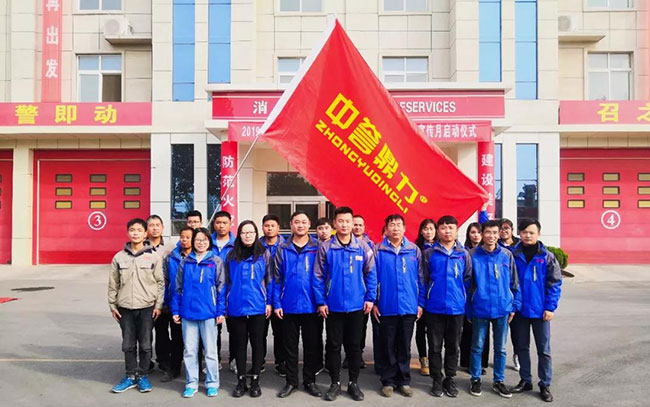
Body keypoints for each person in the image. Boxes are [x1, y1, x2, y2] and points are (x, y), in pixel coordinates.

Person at [313, 206, 377, 401]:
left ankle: (353, 383)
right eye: (340, 221)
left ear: (352, 223)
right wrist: (321, 301)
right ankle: (335, 383)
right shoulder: (326, 247)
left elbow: (371, 273)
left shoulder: (363, 247)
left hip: (357, 305)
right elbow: (318, 276)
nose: (344, 224)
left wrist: (370, 298)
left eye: (347, 221)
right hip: (333, 306)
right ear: (335, 223)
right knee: (333, 345)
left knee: (354, 346)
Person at [108, 218, 164, 393]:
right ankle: (130, 376)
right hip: (125, 307)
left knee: (146, 345)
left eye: (139, 230)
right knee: (128, 344)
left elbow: (160, 282)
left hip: (147, 307)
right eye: (132, 230)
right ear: (128, 233)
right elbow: (113, 284)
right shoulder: (119, 257)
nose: (135, 233)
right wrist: (113, 305)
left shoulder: (153, 256)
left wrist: (158, 305)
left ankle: (143, 375)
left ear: (145, 233)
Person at [467, 220, 521, 398]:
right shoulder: (472, 255)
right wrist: (468, 308)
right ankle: (475, 379)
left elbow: (514, 282)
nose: (491, 236)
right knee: (477, 346)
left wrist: (514, 306)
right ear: (482, 234)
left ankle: (499, 381)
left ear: (499, 234)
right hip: (479, 308)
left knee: (501, 348)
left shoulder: (506, 255)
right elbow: (467, 285)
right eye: (488, 232)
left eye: (495, 233)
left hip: (502, 308)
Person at [510, 218, 562, 403]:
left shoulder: (546, 257)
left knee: (543, 349)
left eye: (531, 232)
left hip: (541, 311)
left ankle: (545, 384)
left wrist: (550, 307)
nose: (528, 235)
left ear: (538, 234)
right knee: (521, 347)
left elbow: (554, 284)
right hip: (519, 311)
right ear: (519, 233)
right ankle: (525, 380)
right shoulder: (512, 255)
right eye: (524, 232)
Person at [273, 211, 323, 398]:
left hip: (312, 305)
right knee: (290, 347)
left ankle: (310, 381)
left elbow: (324, 276)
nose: (300, 225)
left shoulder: (318, 247)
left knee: (312, 346)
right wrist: (277, 303)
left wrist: (322, 302)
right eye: (297, 222)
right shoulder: (282, 248)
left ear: (309, 225)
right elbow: (276, 279)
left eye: (304, 222)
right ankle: (291, 382)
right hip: (289, 305)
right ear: (291, 225)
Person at [372, 214, 423, 398]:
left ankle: (404, 381)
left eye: (399, 225)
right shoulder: (378, 250)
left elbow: (421, 278)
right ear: (386, 229)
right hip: (386, 305)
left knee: (404, 345)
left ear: (404, 228)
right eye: (392, 225)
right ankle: (388, 381)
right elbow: (372, 278)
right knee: (388, 345)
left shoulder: (413, 250)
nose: (395, 228)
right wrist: (374, 302)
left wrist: (420, 303)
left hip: (409, 306)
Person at [171, 227, 225, 398]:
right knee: (190, 351)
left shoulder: (215, 261)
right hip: (188, 314)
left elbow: (221, 288)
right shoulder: (185, 262)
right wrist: (176, 310)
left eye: (204, 240)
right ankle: (191, 383)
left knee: (210, 351)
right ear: (193, 242)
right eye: (198, 240)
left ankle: (212, 382)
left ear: (209, 242)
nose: (201, 243)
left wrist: (220, 311)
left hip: (209, 313)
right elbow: (177, 288)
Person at [421, 215, 471, 398]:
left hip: (456, 308)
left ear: (456, 230)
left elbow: (467, 279)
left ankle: (449, 378)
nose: (447, 231)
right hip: (434, 307)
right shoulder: (429, 254)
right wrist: (423, 302)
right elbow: (423, 279)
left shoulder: (463, 254)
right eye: (443, 228)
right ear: (438, 231)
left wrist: (463, 300)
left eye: (450, 228)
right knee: (434, 346)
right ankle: (436, 379)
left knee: (453, 346)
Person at [224, 220, 273, 398]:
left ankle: (255, 381)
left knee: (257, 344)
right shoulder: (231, 255)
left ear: (256, 234)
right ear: (239, 234)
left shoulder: (264, 254)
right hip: (236, 306)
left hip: (258, 306)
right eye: (244, 232)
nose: (248, 235)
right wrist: (225, 305)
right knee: (240, 345)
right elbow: (226, 282)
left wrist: (269, 302)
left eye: (251, 232)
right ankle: (241, 380)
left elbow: (270, 280)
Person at [157, 226, 192, 382]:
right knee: (176, 338)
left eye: (188, 237)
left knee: (194, 341)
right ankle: (174, 369)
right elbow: (165, 281)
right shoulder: (171, 257)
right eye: (182, 237)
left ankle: (195, 371)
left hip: (193, 305)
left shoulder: (199, 257)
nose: (184, 240)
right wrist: (165, 301)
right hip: (175, 304)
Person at [460, 222, 489, 374]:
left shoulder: (487, 252)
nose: (476, 235)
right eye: (473, 232)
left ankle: (481, 363)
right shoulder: (464, 252)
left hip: (483, 297)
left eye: (478, 232)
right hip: (467, 297)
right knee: (467, 331)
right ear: (468, 234)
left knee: (483, 333)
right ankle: (466, 362)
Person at [260, 214, 287, 377]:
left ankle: (280, 362)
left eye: (272, 225)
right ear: (262, 227)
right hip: (260, 296)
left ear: (278, 228)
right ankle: (259, 362)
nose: (269, 228)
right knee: (260, 333)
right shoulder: (256, 246)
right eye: (266, 225)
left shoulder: (286, 246)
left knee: (280, 333)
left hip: (280, 296)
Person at [348, 214, 375, 371]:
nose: (357, 227)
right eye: (355, 224)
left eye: (360, 225)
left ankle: (358, 354)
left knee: (360, 328)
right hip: (344, 296)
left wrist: (370, 295)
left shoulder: (369, 245)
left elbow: (371, 272)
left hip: (361, 295)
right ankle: (348, 356)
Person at [210, 210, 236, 372]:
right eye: (218, 222)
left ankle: (234, 359)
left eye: (224, 223)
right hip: (212, 292)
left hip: (233, 292)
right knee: (214, 329)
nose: (221, 226)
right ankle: (215, 359)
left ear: (230, 224)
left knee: (235, 329)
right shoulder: (208, 243)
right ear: (214, 224)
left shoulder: (237, 244)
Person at [414, 218, 436, 376]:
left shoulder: (441, 247)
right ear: (421, 231)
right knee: (421, 328)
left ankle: (435, 358)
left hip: (436, 295)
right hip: (420, 293)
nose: (428, 232)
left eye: (431, 229)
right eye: (425, 229)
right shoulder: (416, 249)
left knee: (435, 330)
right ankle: (424, 359)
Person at [498, 217, 521, 371]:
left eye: (506, 228)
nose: (503, 231)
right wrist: (484, 209)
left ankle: (517, 355)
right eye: (501, 229)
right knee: (501, 332)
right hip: (501, 293)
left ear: (512, 230)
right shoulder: (496, 247)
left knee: (517, 331)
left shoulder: (520, 246)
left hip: (517, 290)